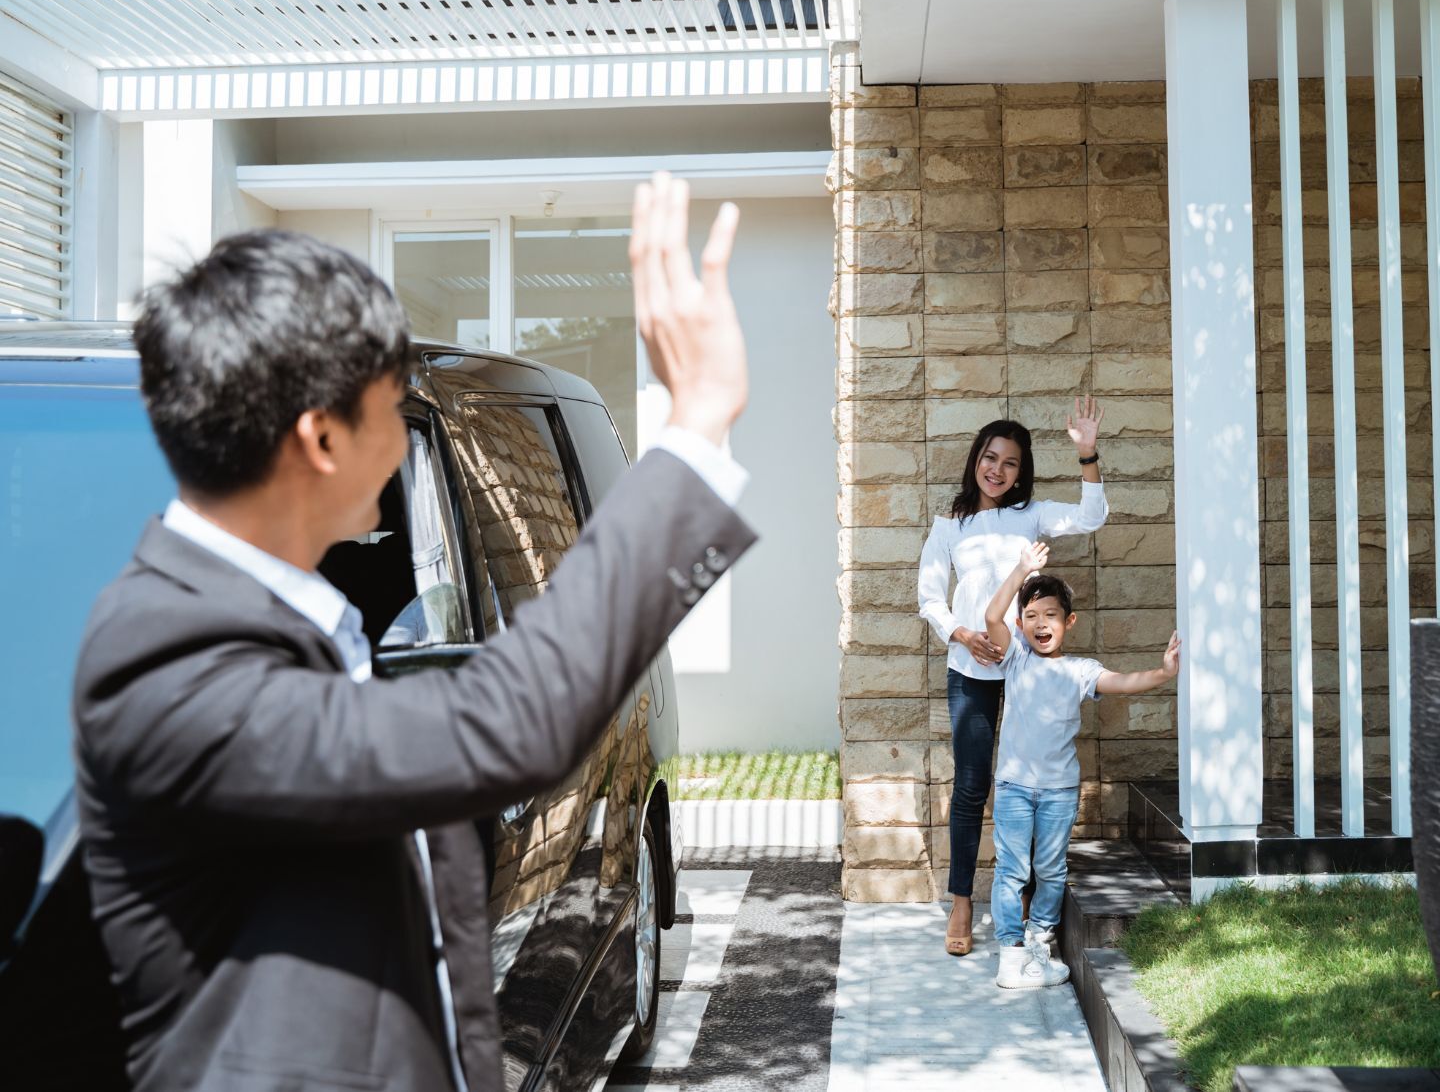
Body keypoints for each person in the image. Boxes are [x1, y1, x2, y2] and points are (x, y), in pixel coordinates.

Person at [70, 173, 756, 1092]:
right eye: (392, 411)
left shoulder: (265, 617)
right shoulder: (164, 662)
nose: (401, 444)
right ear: (321, 439)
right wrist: (698, 428)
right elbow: (498, 722)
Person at [916, 403, 1108, 957]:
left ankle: (1018, 893)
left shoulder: (1033, 514)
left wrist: (1087, 452)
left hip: (1026, 671)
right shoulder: (949, 527)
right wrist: (960, 634)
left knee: (1023, 782)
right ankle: (961, 901)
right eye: (990, 458)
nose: (996, 470)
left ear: (1022, 472)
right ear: (976, 460)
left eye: (1009, 463)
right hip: (970, 667)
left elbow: (1091, 516)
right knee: (973, 784)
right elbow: (929, 595)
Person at [982, 541, 1180, 988]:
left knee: (1051, 869)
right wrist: (1021, 569)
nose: (1040, 623)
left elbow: (1123, 682)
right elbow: (992, 618)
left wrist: (1164, 673)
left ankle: (1038, 944)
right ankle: (1010, 954)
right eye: (1031, 616)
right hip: (1014, 786)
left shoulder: (1080, 670)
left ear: (1068, 622)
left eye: (1050, 615)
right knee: (1012, 870)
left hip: (1058, 790)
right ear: (1020, 625)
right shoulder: (1014, 658)